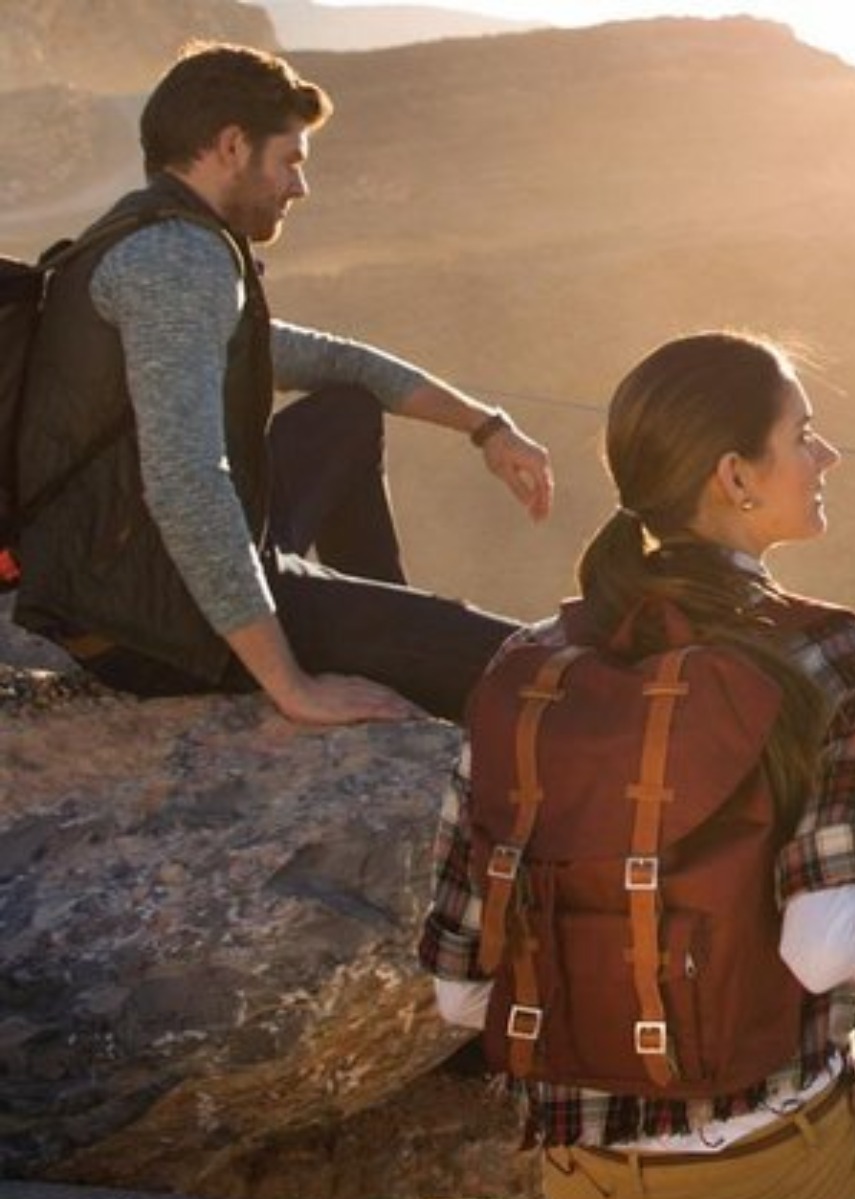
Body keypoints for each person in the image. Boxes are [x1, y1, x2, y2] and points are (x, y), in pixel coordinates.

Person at [418, 331, 855, 1199]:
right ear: (735, 476)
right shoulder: (845, 662)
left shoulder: (530, 665)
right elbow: (822, 945)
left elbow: (460, 993)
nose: (826, 457)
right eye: (803, 435)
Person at [11, 42, 554, 725]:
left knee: (346, 411)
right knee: (519, 664)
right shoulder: (175, 262)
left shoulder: (149, 231)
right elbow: (185, 486)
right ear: (233, 146)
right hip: (150, 619)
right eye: (291, 161)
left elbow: (332, 362)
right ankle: (372, 643)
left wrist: (486, 427)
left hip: (132, 566)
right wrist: (292, 686)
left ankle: (376, 618)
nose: (300, 187)